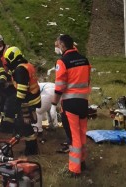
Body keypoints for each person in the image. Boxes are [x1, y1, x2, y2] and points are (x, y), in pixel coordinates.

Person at [51, 34, 91, 177]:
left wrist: (53, 103)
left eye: (57, 45)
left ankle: (74, 169)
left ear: (62, 45)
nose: (57, 47)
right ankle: (82, 161)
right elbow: (88, 80)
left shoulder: (62, 62)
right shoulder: (84, 60)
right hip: (83, 102)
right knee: (81, 134)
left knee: (73, 137)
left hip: (70, 104)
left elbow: (60, 86)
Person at [3, 46, 41, 155]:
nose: (7, 64)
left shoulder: (20, 69)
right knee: (24, 123)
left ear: (12, 59)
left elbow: (22, 90)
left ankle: (32, 150)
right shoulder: (26, 65)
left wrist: (17, 104)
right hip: (33, 98)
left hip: (27, 101)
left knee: (25, 125)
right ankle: (29, 145)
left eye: (7, 61)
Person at [0, 33, 16, 134]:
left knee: (9, 104)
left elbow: (14, 66)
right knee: (1, 104)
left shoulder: (9, 50)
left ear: (2, 41)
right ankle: (4, 123)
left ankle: (10, 125)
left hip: (10, 80)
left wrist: (9, 82)